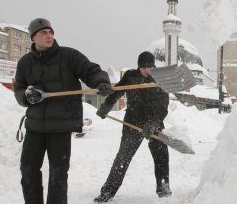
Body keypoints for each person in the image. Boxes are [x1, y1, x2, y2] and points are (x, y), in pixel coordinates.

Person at [13, 18, 114, 204]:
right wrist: (26, 96)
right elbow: (19, 88)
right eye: (43, 32)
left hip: (61, 125)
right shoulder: (25, 63)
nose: (49, 36)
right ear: (33, 37)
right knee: (27, 169)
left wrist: (101, 82)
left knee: (58, 174)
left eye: (51, 32)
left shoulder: (69, 56)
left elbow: (90, 70)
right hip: (35, 125)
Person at [93, 51, 171, 203]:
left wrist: (153, 123)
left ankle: (163, 189)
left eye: (150, 67)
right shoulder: (130, 76)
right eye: (144, 67)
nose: (147, 70)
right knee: (122, 157)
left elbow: (163, 106)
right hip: (133, 122)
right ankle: (107, 193)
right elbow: (116, 93)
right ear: (139, 67)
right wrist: (106, 107)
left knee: (161, 156)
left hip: (154, 122)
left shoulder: (159, 78)